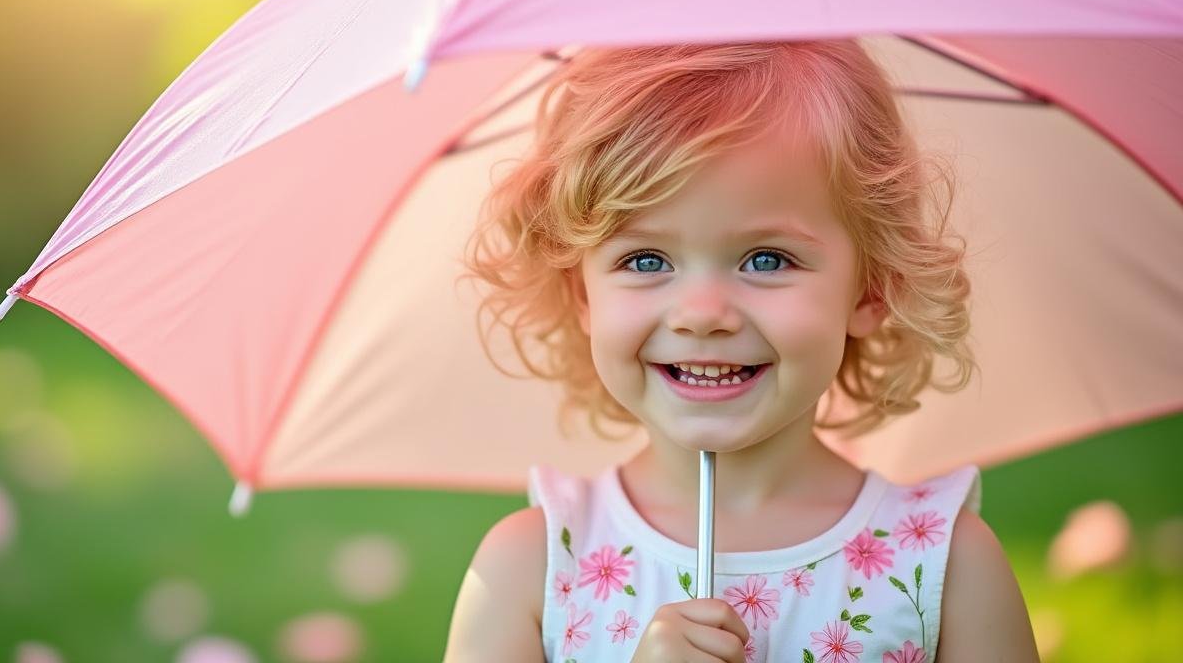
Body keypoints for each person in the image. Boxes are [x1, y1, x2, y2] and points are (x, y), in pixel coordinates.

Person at [442, 40, 1041, 662]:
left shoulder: (945, 569)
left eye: (766, 259)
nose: (702, 315)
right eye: (645, 260)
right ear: (582, 295)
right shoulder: (532, 569)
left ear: (871, 287)